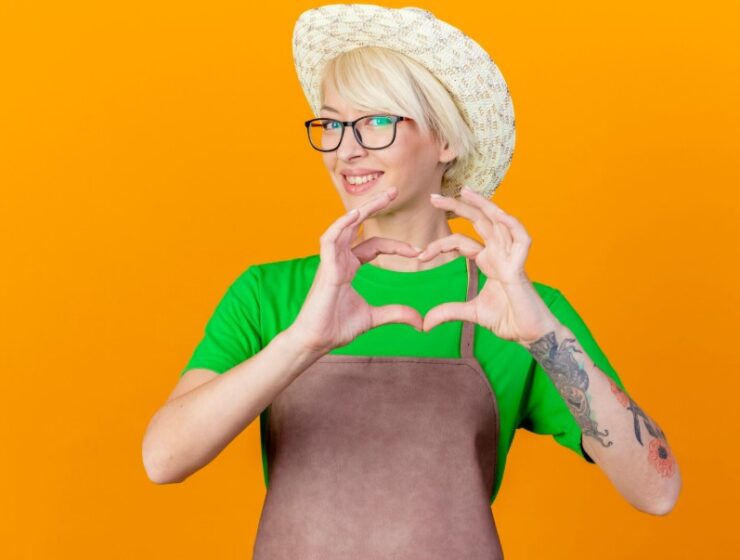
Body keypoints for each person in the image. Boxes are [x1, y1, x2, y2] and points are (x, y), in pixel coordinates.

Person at [142, 4, 681, 558]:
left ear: (445, 140)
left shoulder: (514, 306)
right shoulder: (269, 295)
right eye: (332, 124)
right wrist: (301, 342)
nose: (346, 150)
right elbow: (163, 459)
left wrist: (544, 337)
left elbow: (657, 490)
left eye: (376, 121)